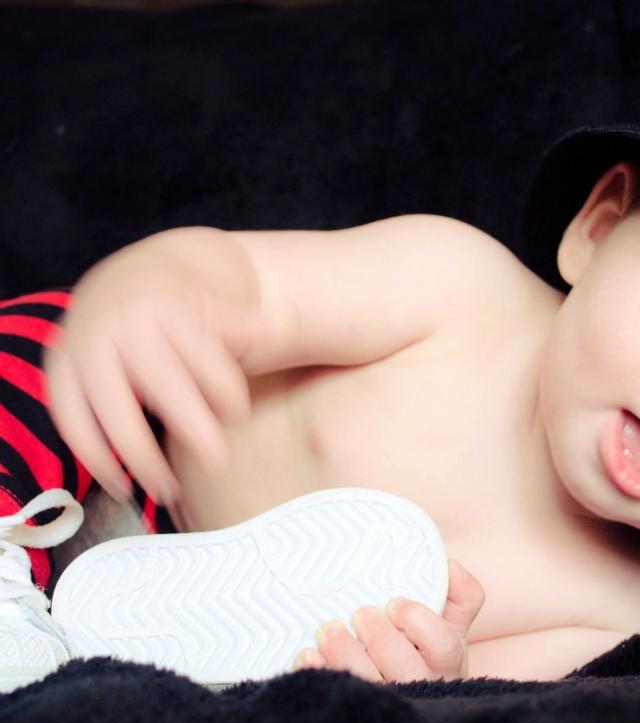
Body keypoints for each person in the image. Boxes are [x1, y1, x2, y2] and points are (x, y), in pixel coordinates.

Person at [3, 123, 640, 692]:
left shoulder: (615, 612)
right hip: (139, 442)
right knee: (72, 347)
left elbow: (484, 691)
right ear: (601, 229)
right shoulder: (461, 287)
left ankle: (55, 659)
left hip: (206, 649)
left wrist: (431, 676)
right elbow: (251, 288)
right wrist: (168, 281)